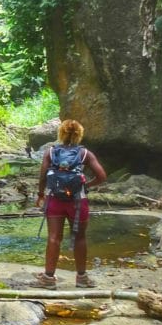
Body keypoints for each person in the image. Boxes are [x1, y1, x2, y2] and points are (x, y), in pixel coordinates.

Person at [34, 119, 107, 289]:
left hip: (54, 200)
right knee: (79, 238)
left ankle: (48, 278)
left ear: (60, 133)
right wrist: (85, 186)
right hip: (77, 201)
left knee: (53, 238)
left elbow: (43, 177)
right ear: (79, 134)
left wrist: (40, 194)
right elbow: (102, 176)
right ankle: (81, 278)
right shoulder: (85, 154)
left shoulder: (50, 152)